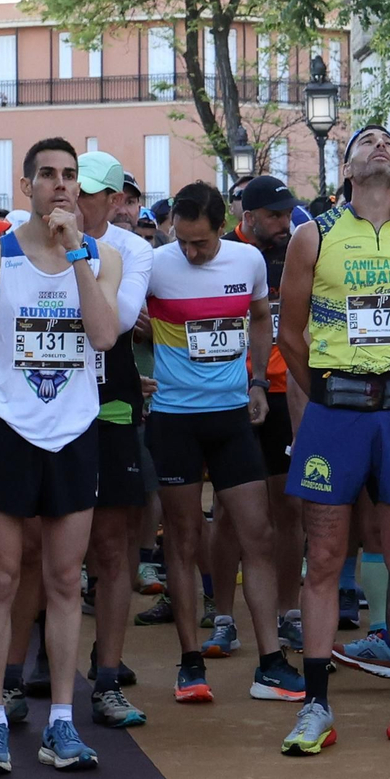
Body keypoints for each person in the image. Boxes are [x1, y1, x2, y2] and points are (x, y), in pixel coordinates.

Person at [277, 124, 390, 754]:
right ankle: (316, 706)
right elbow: (290, 334)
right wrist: (327, 392)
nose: (379, 145)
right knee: (324, 557)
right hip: (336, 416)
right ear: (346, 169)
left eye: (388, 142)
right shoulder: (313, 236)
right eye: (365, 140)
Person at [0, 137, 123, 774]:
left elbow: (105, 336)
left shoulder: (99, 255)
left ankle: (61, 720)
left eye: (70, 176)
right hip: (8, 433)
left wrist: (77, 252)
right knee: (0, 576)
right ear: (27, 186)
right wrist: (0, 404)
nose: (61, 185)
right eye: (48, 175)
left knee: (63, 579)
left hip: (75, 432)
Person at [142, 181, 304, 704]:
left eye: (201, 243)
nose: (190, 253)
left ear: (222, 228)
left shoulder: (247, 260)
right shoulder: (154, 264)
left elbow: (261, 318)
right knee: (184, 541)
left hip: (232, 417)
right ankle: (191, 663)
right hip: (173, 418)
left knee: (256, 534)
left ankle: (271, 662)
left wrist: (257, 380)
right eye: (182, 242)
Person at [74, 152, 155, 727]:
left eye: (88, 193)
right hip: (44, 408)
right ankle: (18, 677)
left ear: (115, 200)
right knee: (36, 551)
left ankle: (107, 675)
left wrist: (76, 261)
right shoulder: (18, 245)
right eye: (65, 187)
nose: (72, 200)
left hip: (111, 403)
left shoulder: (131, 250)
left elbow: (117, 325)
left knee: (110, 548)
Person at [211, 175, 307, 657]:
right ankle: (223, 617)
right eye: (274, 216)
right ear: (246, 218)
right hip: (232, 395)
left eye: (287, 214)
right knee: (229, 511)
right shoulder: (222, 252)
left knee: (289, 507)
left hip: (284, 393)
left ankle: (289, 612)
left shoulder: (297, 253)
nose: (284, 223)